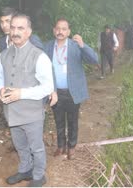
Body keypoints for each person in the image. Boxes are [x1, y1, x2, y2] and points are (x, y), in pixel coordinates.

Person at [0, 14, 54, 187]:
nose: (15, 32)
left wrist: (21, 93)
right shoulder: (3, 55)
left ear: (29, 32)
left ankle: (39, 176)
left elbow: (47, 87)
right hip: (11, 112)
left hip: (31, 113)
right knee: (20, 145)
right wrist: (0, 89)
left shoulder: (39, 56)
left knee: (37, 147)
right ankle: (25, 169)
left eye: (20, 28)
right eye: (13, 28)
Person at [44, 19, 98, 160]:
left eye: (64, 29)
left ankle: (72, 146)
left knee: (73, 121)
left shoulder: (76, 46)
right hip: (55, 92)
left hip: (72, 91)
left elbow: (94, 60)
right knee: (58, 120)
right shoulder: (48, 47)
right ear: (54, 30)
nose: (60, 31)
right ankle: (61, 146)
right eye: (58, 28)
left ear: (68, 31)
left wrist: (83, 45)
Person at [0, 7, 44, 107]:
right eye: (1, 22)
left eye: (7, 21)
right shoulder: (2, 42)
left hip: (30, 97)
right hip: (11, 96)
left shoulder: (32, 40)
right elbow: (3, 69)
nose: (4, 25)